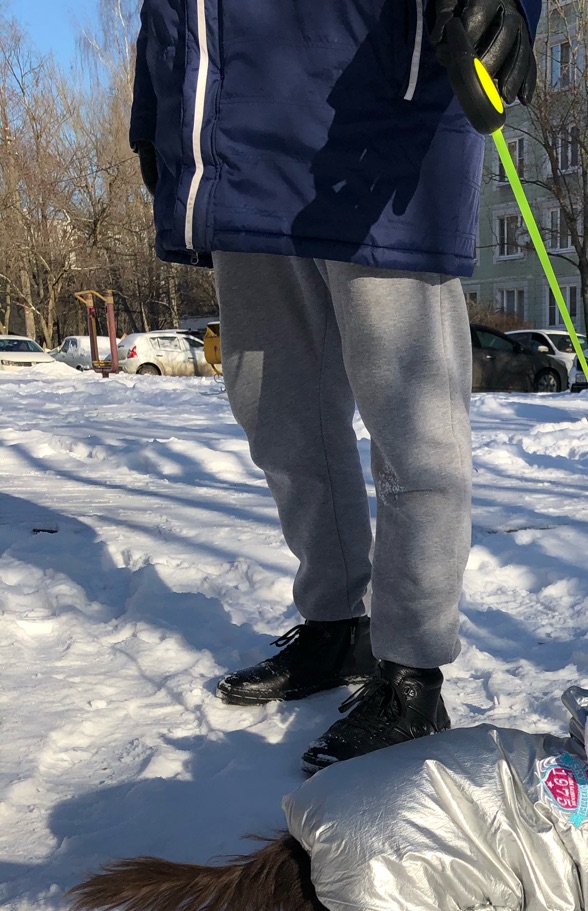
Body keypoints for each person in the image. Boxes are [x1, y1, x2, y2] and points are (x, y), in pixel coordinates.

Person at [130, 0, 538, 771]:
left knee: (416, 442)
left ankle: (412, 674)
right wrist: (157, 96)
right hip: (236, 135)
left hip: (381, 125)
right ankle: (335, 627)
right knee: (279, 419)